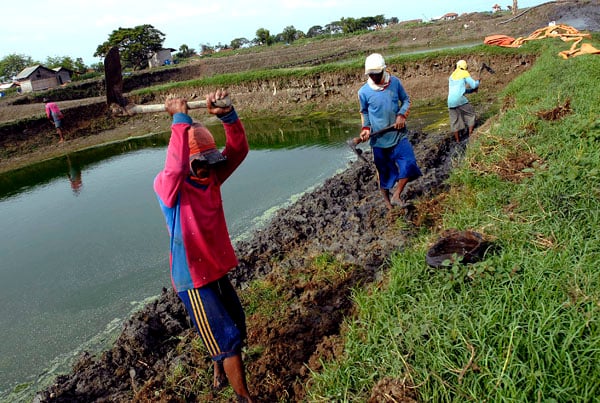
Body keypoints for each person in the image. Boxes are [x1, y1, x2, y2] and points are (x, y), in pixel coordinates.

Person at [153, 90, 253, 402]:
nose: (209, 169)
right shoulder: (171, 188)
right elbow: (173, 168)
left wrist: (227, 115)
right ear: (189, 161)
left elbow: (237, 150)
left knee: (235, 326)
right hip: (193, 278)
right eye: (201, 164)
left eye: (212, 163)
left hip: (216, 267)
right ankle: (243, 398)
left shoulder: (210, 178)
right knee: (228, 339)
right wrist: (179, 120)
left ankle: (219, 371)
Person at [357, 53, 422, 212]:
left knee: (409, 163)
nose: (374, 77)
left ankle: (397, 195)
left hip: (398, 135)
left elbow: (406, 100)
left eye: (377, 74)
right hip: (379, 141)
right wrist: (366, 129)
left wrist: (401, 115)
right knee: (384, 176)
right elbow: (364, 112)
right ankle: (388, 205)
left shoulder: (395, 83)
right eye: (371, 75)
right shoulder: (364, 92)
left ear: (383, 71)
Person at [447, 59, 480, 142]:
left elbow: (461, 90)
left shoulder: (452, 76)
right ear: (465, 67)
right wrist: (478, 82)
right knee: (471, 114)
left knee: (454, 121)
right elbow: (473, 85)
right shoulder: (464, 73)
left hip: (450, 102)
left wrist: (472, 91)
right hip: (460, 100)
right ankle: (470, 134)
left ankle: (457, 141)